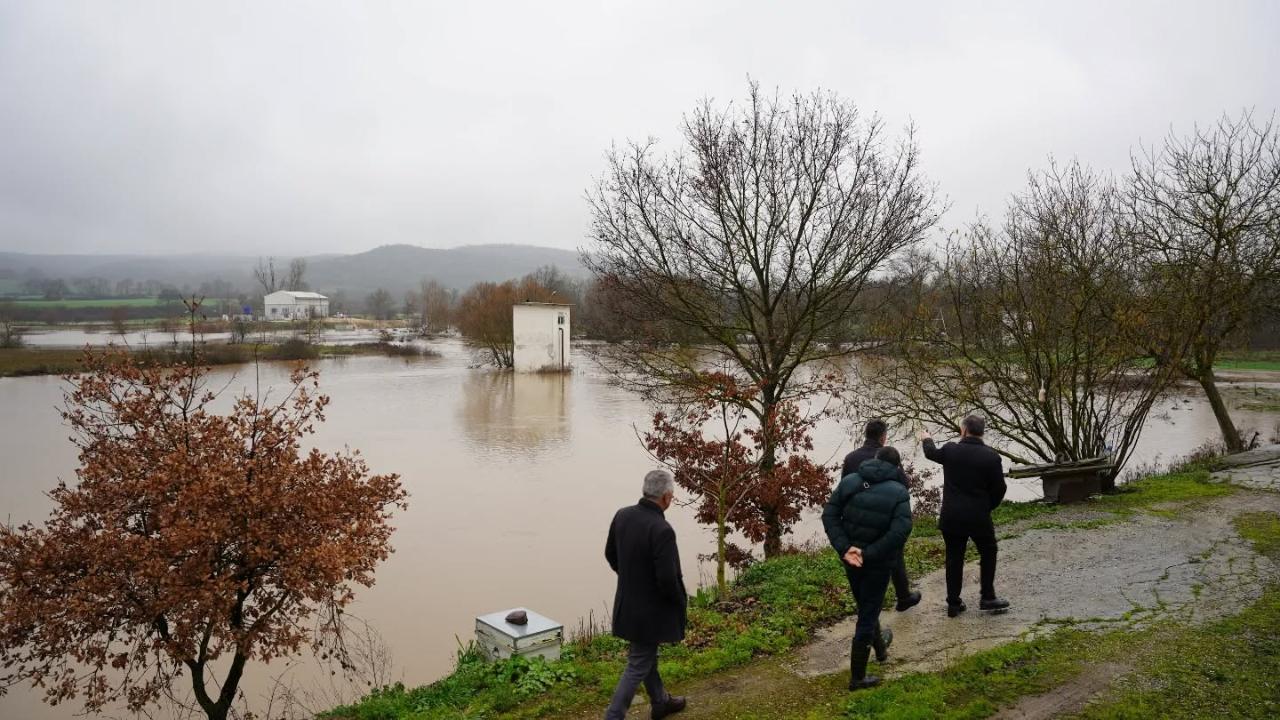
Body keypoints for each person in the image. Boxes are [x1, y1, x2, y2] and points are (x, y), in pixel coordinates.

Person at [822, 446, 913, 690]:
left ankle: (880, 649)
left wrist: (845, 549)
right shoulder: (899, 492)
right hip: (877, 563)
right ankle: (858, 677)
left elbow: (829, 515)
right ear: (896, 467)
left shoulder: (850, 481)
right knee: (867, 614)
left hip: (851, 560)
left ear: (875, 459)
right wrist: (869, 553)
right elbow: (900, 531)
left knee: (866, 606)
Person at [604, 469, 689, 719]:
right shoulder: (662, 530)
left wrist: (631, 579)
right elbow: (667, 579)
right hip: (650, 613)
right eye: (671, 495)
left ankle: (661, 701)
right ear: (666, 497)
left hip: (627, 604)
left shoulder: (622, 516)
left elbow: (610, 554)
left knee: (644, 655)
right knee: (638, 663)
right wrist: (679, 602)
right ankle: (614, 715)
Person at [918, 415, 1010, 618]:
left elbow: (931, 453)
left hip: (952, 515)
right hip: (978, 516)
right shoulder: (991, 457)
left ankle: (953, 603)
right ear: (982, 432)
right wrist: (988, 506)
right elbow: (1000, 488)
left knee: (954, 558)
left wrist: (926, 438)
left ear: (964, 430)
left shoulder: (951, 450)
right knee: (988, 551)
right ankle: (987, 597)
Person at [841, 418, 922, 612]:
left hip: (858, 519)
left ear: (866, 434)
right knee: (894, 555)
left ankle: (864, 604)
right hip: (885, 517)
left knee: (859, 559)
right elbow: (904, 485)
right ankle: (903, 597)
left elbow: (844, 488)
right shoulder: (888, 457)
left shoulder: (851, 458)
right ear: (883, 437)